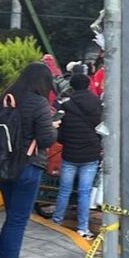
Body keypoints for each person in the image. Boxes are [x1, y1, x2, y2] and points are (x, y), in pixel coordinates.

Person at [0, 62, 59, 258]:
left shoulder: (3, 99)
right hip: (27, 168)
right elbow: (47, 139)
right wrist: (54, 126)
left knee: (11, 218)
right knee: (17, 220)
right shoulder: (38, 102)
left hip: (2, 166)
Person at [51, 74, 103, 239]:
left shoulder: (66, 104)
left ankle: (56, 221)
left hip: (70, 153)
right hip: (90, 154)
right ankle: (82, 228)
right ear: (88, 84)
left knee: (64, 190)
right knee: (84, 192)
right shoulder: (97, 103)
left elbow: (59, 132)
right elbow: (102, 127)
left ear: (72, 85)